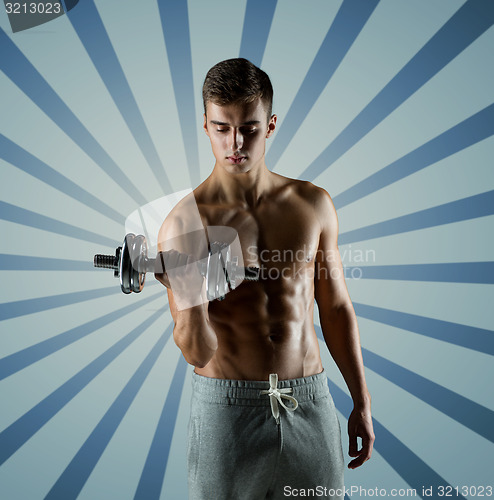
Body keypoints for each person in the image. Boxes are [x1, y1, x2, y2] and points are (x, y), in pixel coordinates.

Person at [155, 58, 374, 500]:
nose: (235, 142)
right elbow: (197, 350)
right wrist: (187, 289)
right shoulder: (184, 224)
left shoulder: (312, 204)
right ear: (205, 126)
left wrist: (361, 401)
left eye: (249, 129)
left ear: (270, 125)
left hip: (309, 401)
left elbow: (334, 308)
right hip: (228, 411)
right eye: (221, 128)